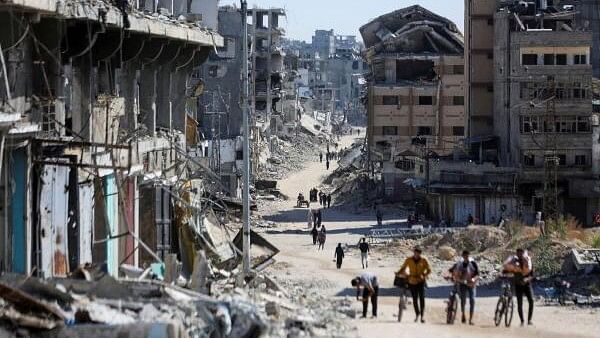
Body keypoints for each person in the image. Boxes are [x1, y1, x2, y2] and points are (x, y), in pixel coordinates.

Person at [398, 247, 431, 323]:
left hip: (421, 281)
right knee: (415, 299)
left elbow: (429, 270)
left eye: (418, 253)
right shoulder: (409, 260)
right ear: (414, 253)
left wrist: (425, 275)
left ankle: (422, 316)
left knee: (422, 298)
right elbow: (403, 267)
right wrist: (398, 272)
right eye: (415, 253)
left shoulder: (424, 260)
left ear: (420, 253)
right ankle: (417, 314)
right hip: (412, 281)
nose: (416, 255)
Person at [503, 248, 534, 326]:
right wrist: (505, 271)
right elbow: (508, 270)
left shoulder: (528, 261)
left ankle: (529, 320)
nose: (519, 255)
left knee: (531, 301)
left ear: (523, 253)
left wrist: (526, 279)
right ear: (516, 254)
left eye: (521, 253)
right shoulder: (514, 262)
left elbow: (532, 275)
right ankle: (522, 321)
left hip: (527, 284)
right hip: (518, 285)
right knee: (520, 303)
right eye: (518, 253)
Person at [448, 250, 479, 325]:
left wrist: (473, 279)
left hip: (471, 284)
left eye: (467, 256)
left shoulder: (473, 263)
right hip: (462, 284)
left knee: (472, 300)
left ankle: (470, 319)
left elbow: (477, 274)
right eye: (465, 256)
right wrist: (455, 278)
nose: (466, 257)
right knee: (463, 300)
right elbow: (453, 271)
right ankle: (463, 314)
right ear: (462, 256)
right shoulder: (459, 264)